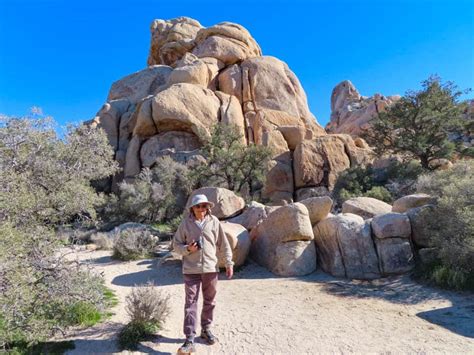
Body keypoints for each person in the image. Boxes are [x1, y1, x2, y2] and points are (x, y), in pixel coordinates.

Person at [173, 194, 234, 354]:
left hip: (210, 269)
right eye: (198, 206)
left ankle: (206, 330)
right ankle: (189, 339)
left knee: (210, 301)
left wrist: (228, 262)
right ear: (192, 208)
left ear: (208, 207)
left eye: (204, 206)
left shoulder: (214, 222)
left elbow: (224, 244)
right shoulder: (185, 224)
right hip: (191, 270)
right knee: (190, 304)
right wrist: (188, 249)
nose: (201, 209)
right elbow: (176, 245)